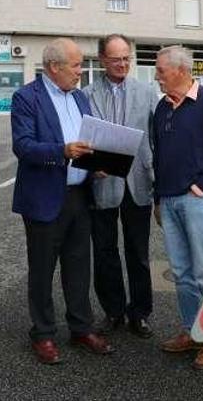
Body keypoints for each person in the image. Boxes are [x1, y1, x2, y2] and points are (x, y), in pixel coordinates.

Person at [10, 37, 113, 365]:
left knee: (79, 266)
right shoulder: (27, 98)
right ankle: (42, 334)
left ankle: (81, 328)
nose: (81, 72)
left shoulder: (80, 98)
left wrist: (95, 166)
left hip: (79, 197)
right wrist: (62, 152)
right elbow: (23, 147)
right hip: (44, 199)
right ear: (54, 67)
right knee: (42, 270)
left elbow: (88, 142)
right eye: (76, 65)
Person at [152, 45, 203, 370]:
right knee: (182, 274)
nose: (157, 76)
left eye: (161, 70)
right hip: (169, 202)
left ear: (180, 71)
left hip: (198, 201)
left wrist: (201, 186)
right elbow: (159, 156)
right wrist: (159, 199)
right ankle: (192, 331)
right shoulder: (162, 108)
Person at [82, 34, 157, 338]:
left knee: (138, 252)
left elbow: (156, 135)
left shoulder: (147, 91)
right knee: (104, 251)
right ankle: (113, 311)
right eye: (116, 59)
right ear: (102, 60)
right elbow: (80, 137)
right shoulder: (85, 94)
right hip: (102, 182)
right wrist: (89, 167)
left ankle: (139, 313)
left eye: (127, 58)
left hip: (138, 181)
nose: (123, 64)